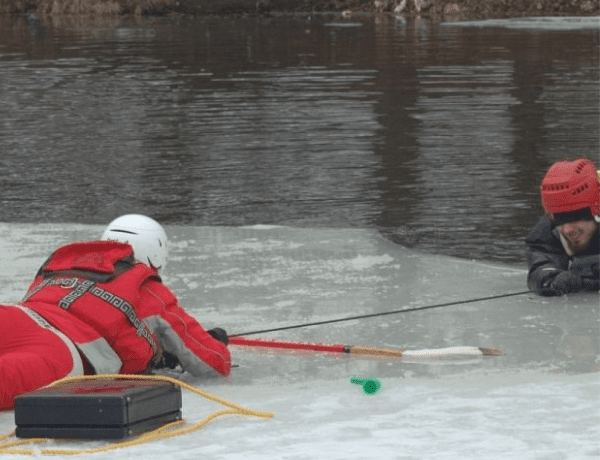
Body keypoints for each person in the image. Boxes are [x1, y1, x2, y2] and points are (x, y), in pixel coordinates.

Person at [1, 214, 230, 410]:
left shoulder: (63, 266)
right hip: (62, 349)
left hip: (18, 316)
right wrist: (214, 343)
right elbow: (212, 363)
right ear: (156, 256)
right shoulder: (148, 288)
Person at [526, 158, 599, 296]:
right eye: (559, 219)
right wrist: (551, 280)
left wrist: (590, 281)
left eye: (575, 218)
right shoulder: (547, 231)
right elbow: (540, 265)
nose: (567, 230)